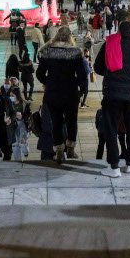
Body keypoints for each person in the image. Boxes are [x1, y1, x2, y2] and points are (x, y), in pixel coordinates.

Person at [94, 21, 130, 177]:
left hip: (112, 95)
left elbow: (97, 67)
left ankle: (114, 167)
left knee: (111, 129)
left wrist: (111, 72)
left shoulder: (109, 45)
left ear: (119, 31)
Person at [36, 26, 88, 164]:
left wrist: (49, 82)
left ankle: (59, 151)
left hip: (53, 93)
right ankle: (70, 149)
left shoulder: (47, 51)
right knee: (72, 121)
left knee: (56, 122)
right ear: (70, 37)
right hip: (70, 93)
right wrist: (74, 83)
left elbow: (39, 74)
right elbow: (83, 75)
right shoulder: (76, 53)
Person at [8, 87, 31, 161]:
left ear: (17, 95)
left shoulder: (24, 104)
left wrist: (22, 116)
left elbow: (29, 115)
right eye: (10, 95)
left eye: (12, 95)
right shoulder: (9, 104)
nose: (11, 97)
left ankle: (25, 151)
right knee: (15, 144)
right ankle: (17, 161)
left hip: (22, 125)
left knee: (22, 141)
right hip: (12, 125)